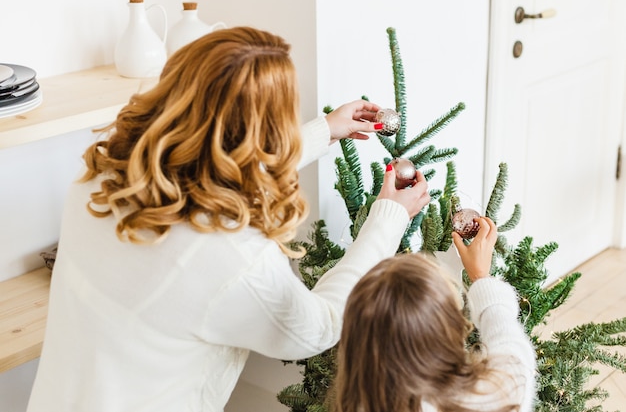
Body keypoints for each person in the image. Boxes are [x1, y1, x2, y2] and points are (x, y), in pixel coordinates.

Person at [26, 26, 431, 412]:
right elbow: (318, 327)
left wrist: (325, 130)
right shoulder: (234, 258)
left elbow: (213, 169)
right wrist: (388, 219)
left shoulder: (103, 175)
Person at [333, 217, 537, 412]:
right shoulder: (492, 398)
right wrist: (481, 277)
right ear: (450, 328)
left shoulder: (361, 404)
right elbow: (514, 351)